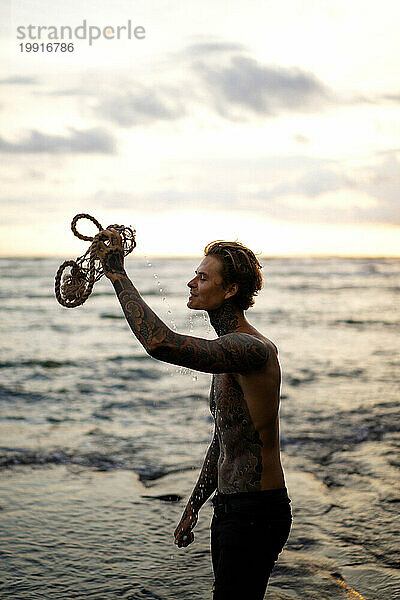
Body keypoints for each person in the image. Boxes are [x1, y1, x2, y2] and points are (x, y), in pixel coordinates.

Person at [96, 231, 292, 600]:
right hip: (233, 507)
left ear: (230, 290)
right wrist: (194, 506)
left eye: (203, 277)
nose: (191, 282)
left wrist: (118, 275)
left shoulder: (250, 349)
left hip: (256, 511)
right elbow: (225, 438)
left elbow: (159, 342)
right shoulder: (228, 353)